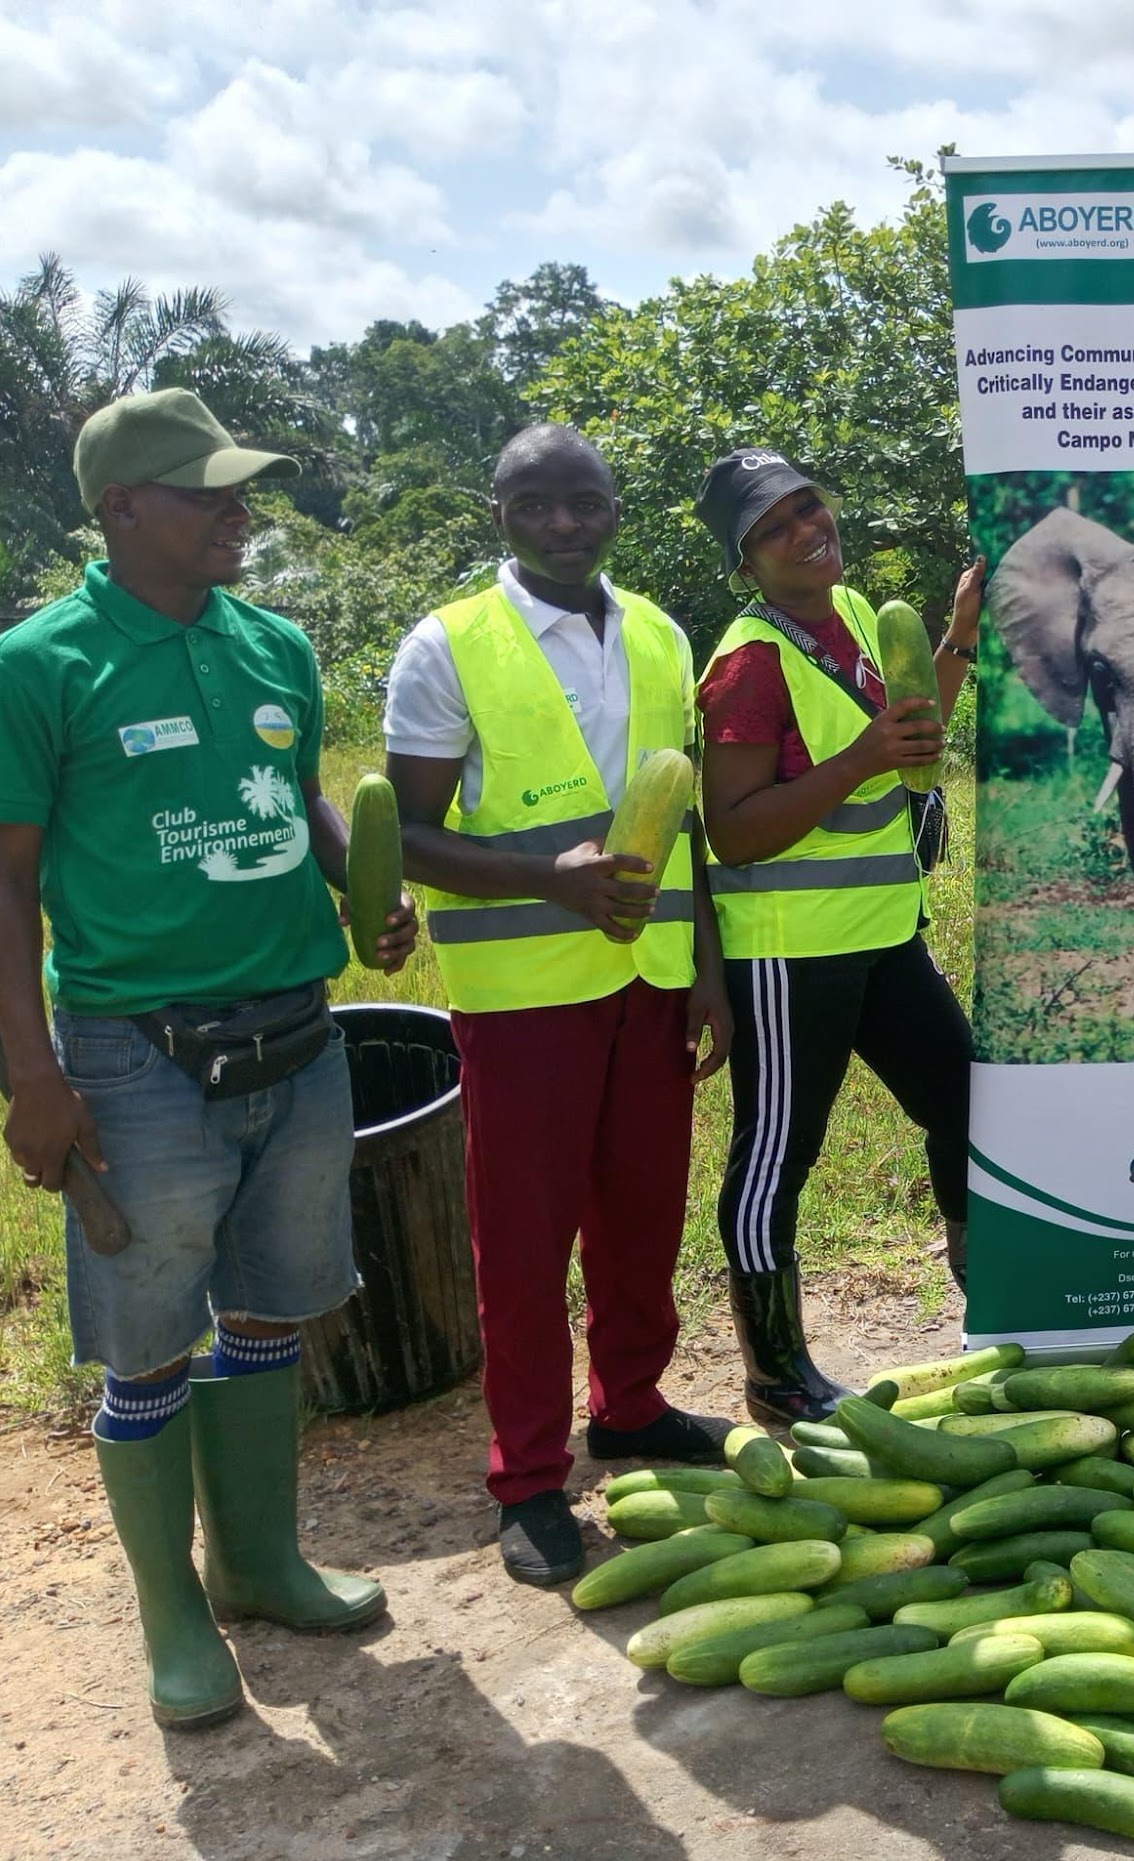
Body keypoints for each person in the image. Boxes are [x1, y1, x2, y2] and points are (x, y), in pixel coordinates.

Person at [0, 389, 414, 1728]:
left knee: (271, 1307)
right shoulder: (41, 665)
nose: (240, 511)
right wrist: (38, 1077)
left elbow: (298, 796)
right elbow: (1, 883)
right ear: (121, 508)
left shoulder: (272, 644)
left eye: (241, 490)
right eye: (208, 491)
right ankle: (174, 1613)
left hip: (296, 1030)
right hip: (133, 1053)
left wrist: (359, 887)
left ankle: (260, 1562)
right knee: (149, 1339)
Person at [383, 424, 732, 1587]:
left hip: (651, 985)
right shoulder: (447, 646)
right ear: (499, 512)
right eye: (536, 504)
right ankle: (528, 1477)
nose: (564, 523)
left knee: (642, 1220)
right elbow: (411, 834)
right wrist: (547, 878)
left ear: (614, 508)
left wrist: (709, 979)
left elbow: (683, 825)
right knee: (523, 1248)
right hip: (523, 998)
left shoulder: (663, 636)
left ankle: (628, 1410)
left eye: (584, 501)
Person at [690, 451, 977, 1427]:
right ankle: (777, 1374)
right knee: (778, 1157)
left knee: (968, 1102)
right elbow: (732, 827)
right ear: (747, 560)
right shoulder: (746, 663)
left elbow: (913, 727)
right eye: (776, 527)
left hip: (885, 933)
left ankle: (993, 1298)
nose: (807, 529)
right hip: (788, 951)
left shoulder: (854, 615)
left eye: (809, 505)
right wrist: (861, 758)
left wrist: (958, 639)